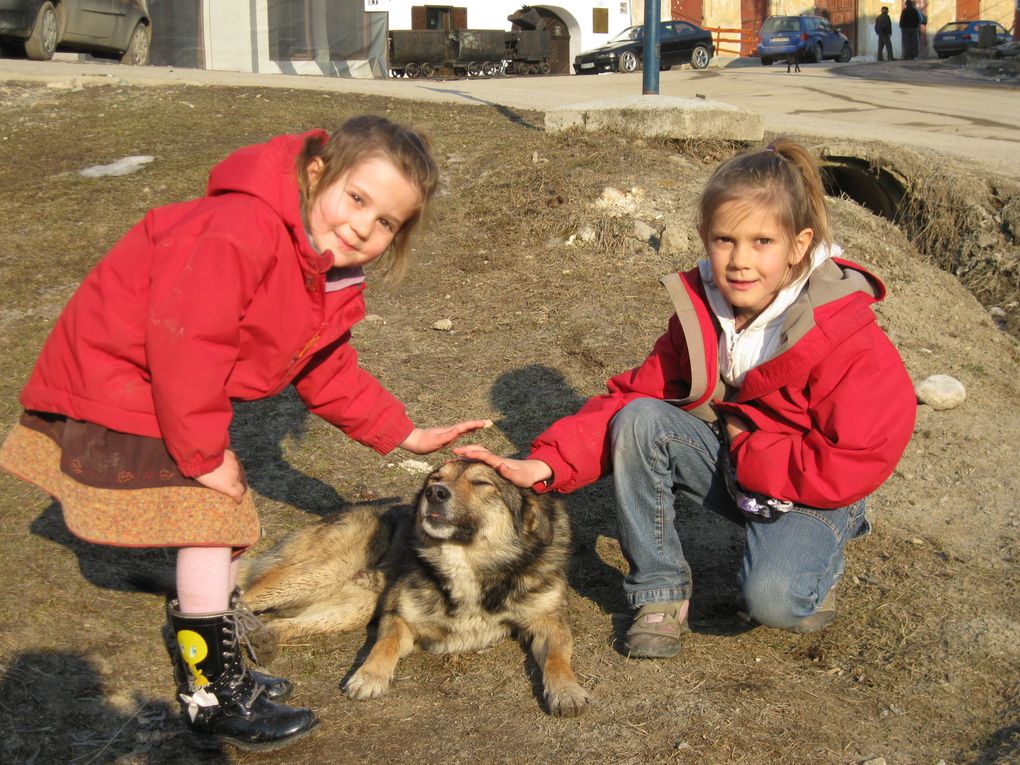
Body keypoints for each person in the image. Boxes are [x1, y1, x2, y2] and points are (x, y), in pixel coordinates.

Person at [0, 115, 492, 750]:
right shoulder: (242, 228)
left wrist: (406, 434)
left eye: (386, 223)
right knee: (215, 517)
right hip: (121, 377)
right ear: (318, 174)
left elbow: (327, 368)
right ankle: (212, 696)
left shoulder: (324, 268)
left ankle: (221, 665)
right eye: (357, 199)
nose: (363, 228)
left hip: (161, 386)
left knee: (223, 525)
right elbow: (187, 343)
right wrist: (204, 457)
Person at [456, 138, 915, 660]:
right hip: (745, 465)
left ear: (798, 244)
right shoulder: (704, 314)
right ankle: (658, 594)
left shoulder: (844, 333)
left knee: (777, 604)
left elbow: (860, 451)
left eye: (762, 241)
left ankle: (831, 545)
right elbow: (637, 395)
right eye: (725, 240)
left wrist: (751, 451)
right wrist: (544, 463)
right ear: (704, 237)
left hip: (816, 488)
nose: (740, 261)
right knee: (639, 420)